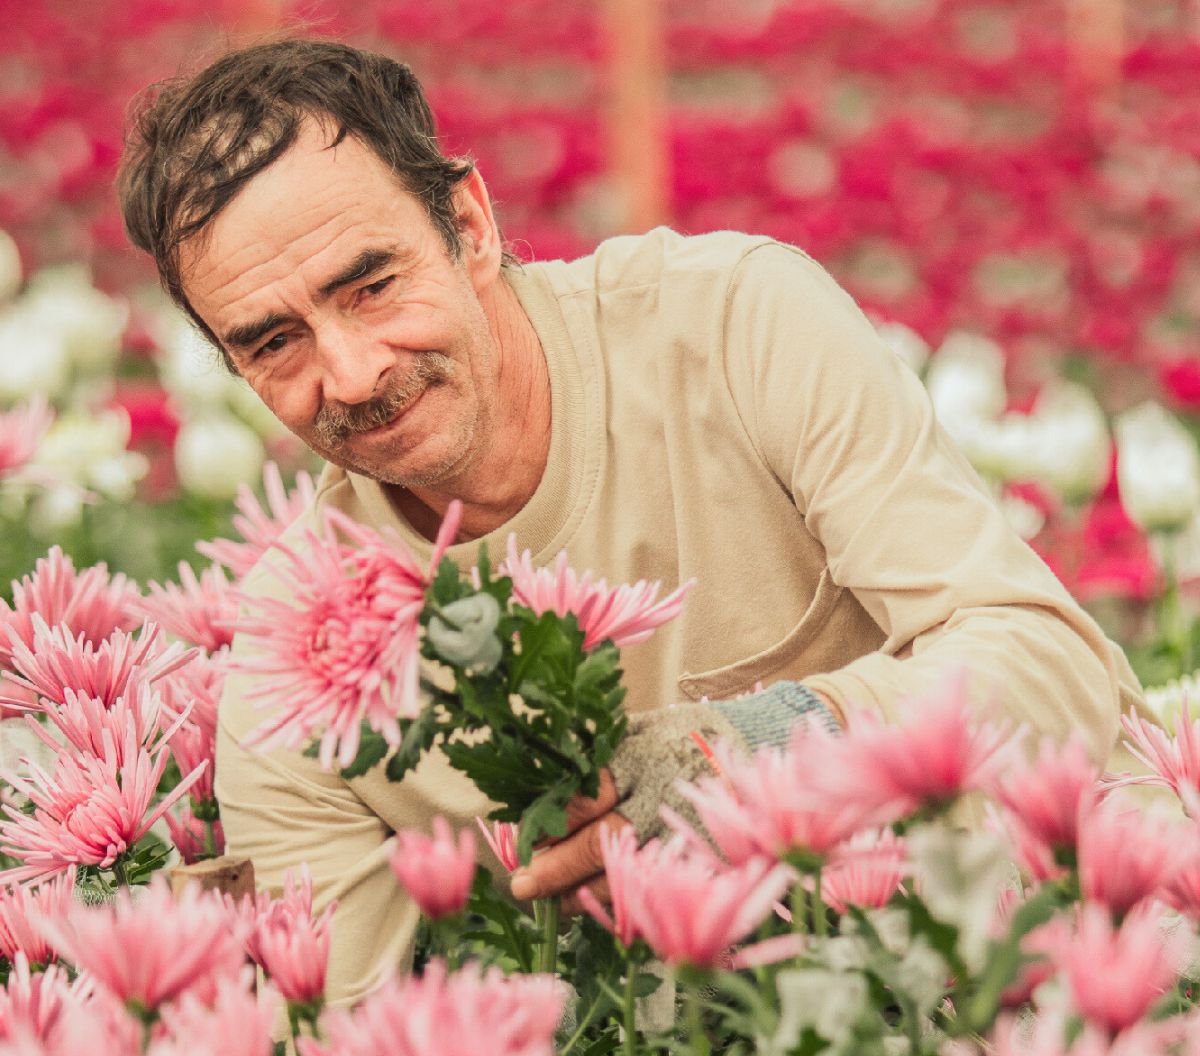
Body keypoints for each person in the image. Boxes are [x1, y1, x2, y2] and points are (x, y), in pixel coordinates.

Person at [118, 38, 1148, 1004]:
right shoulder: (295, 660)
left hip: (1043, 961)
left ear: (469, 226)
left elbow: (1050, 662)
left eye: (373, 286)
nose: (351, 374)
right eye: (273, 344)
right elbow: (335, 1046)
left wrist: (756, 747)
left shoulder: (735, 328)